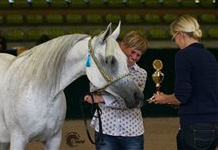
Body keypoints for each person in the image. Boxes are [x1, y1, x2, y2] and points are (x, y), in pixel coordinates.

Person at [149, 15, 218, 150]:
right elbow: (202, 93)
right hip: (214, 126)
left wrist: (163, 98)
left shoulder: (184, 55)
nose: (175, 41)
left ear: (180, 34)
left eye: (173, 37)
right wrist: (170, 100)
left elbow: (182, 95)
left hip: (195, 126)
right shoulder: (209, 56)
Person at [84, 31, 148, 150]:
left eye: (138, 55)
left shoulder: (141, 74)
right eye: (132, 52)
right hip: (105, 129)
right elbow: (93, 90)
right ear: (122, 46)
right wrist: (98, 96)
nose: (134, 57)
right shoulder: (104, 68)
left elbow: (132, 102)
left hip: (132, 132)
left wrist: (101, 98)